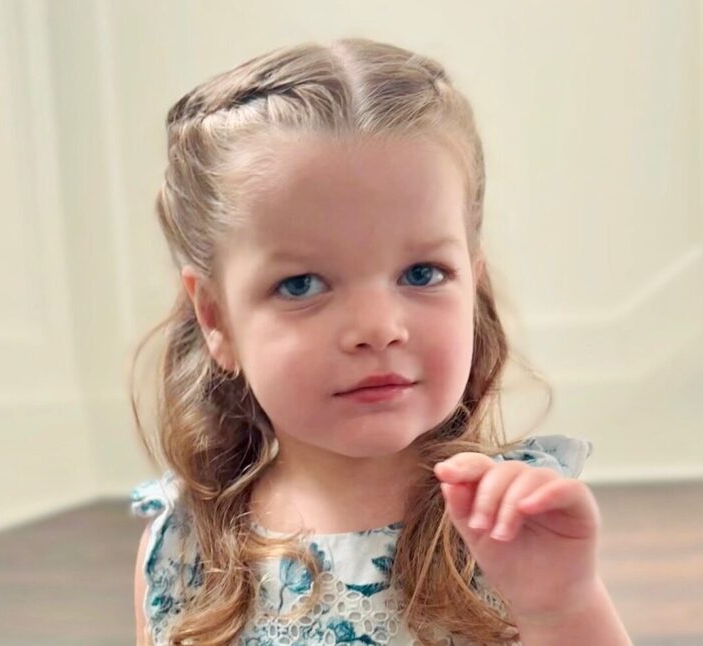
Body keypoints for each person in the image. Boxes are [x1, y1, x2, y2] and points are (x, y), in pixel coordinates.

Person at [129, 38, 633, 645]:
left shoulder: (509, 527)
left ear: (472, 285)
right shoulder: (183, 545)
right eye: (302, 284)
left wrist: (560, 610)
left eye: (421, 274)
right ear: (216, 318)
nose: (377, 328)